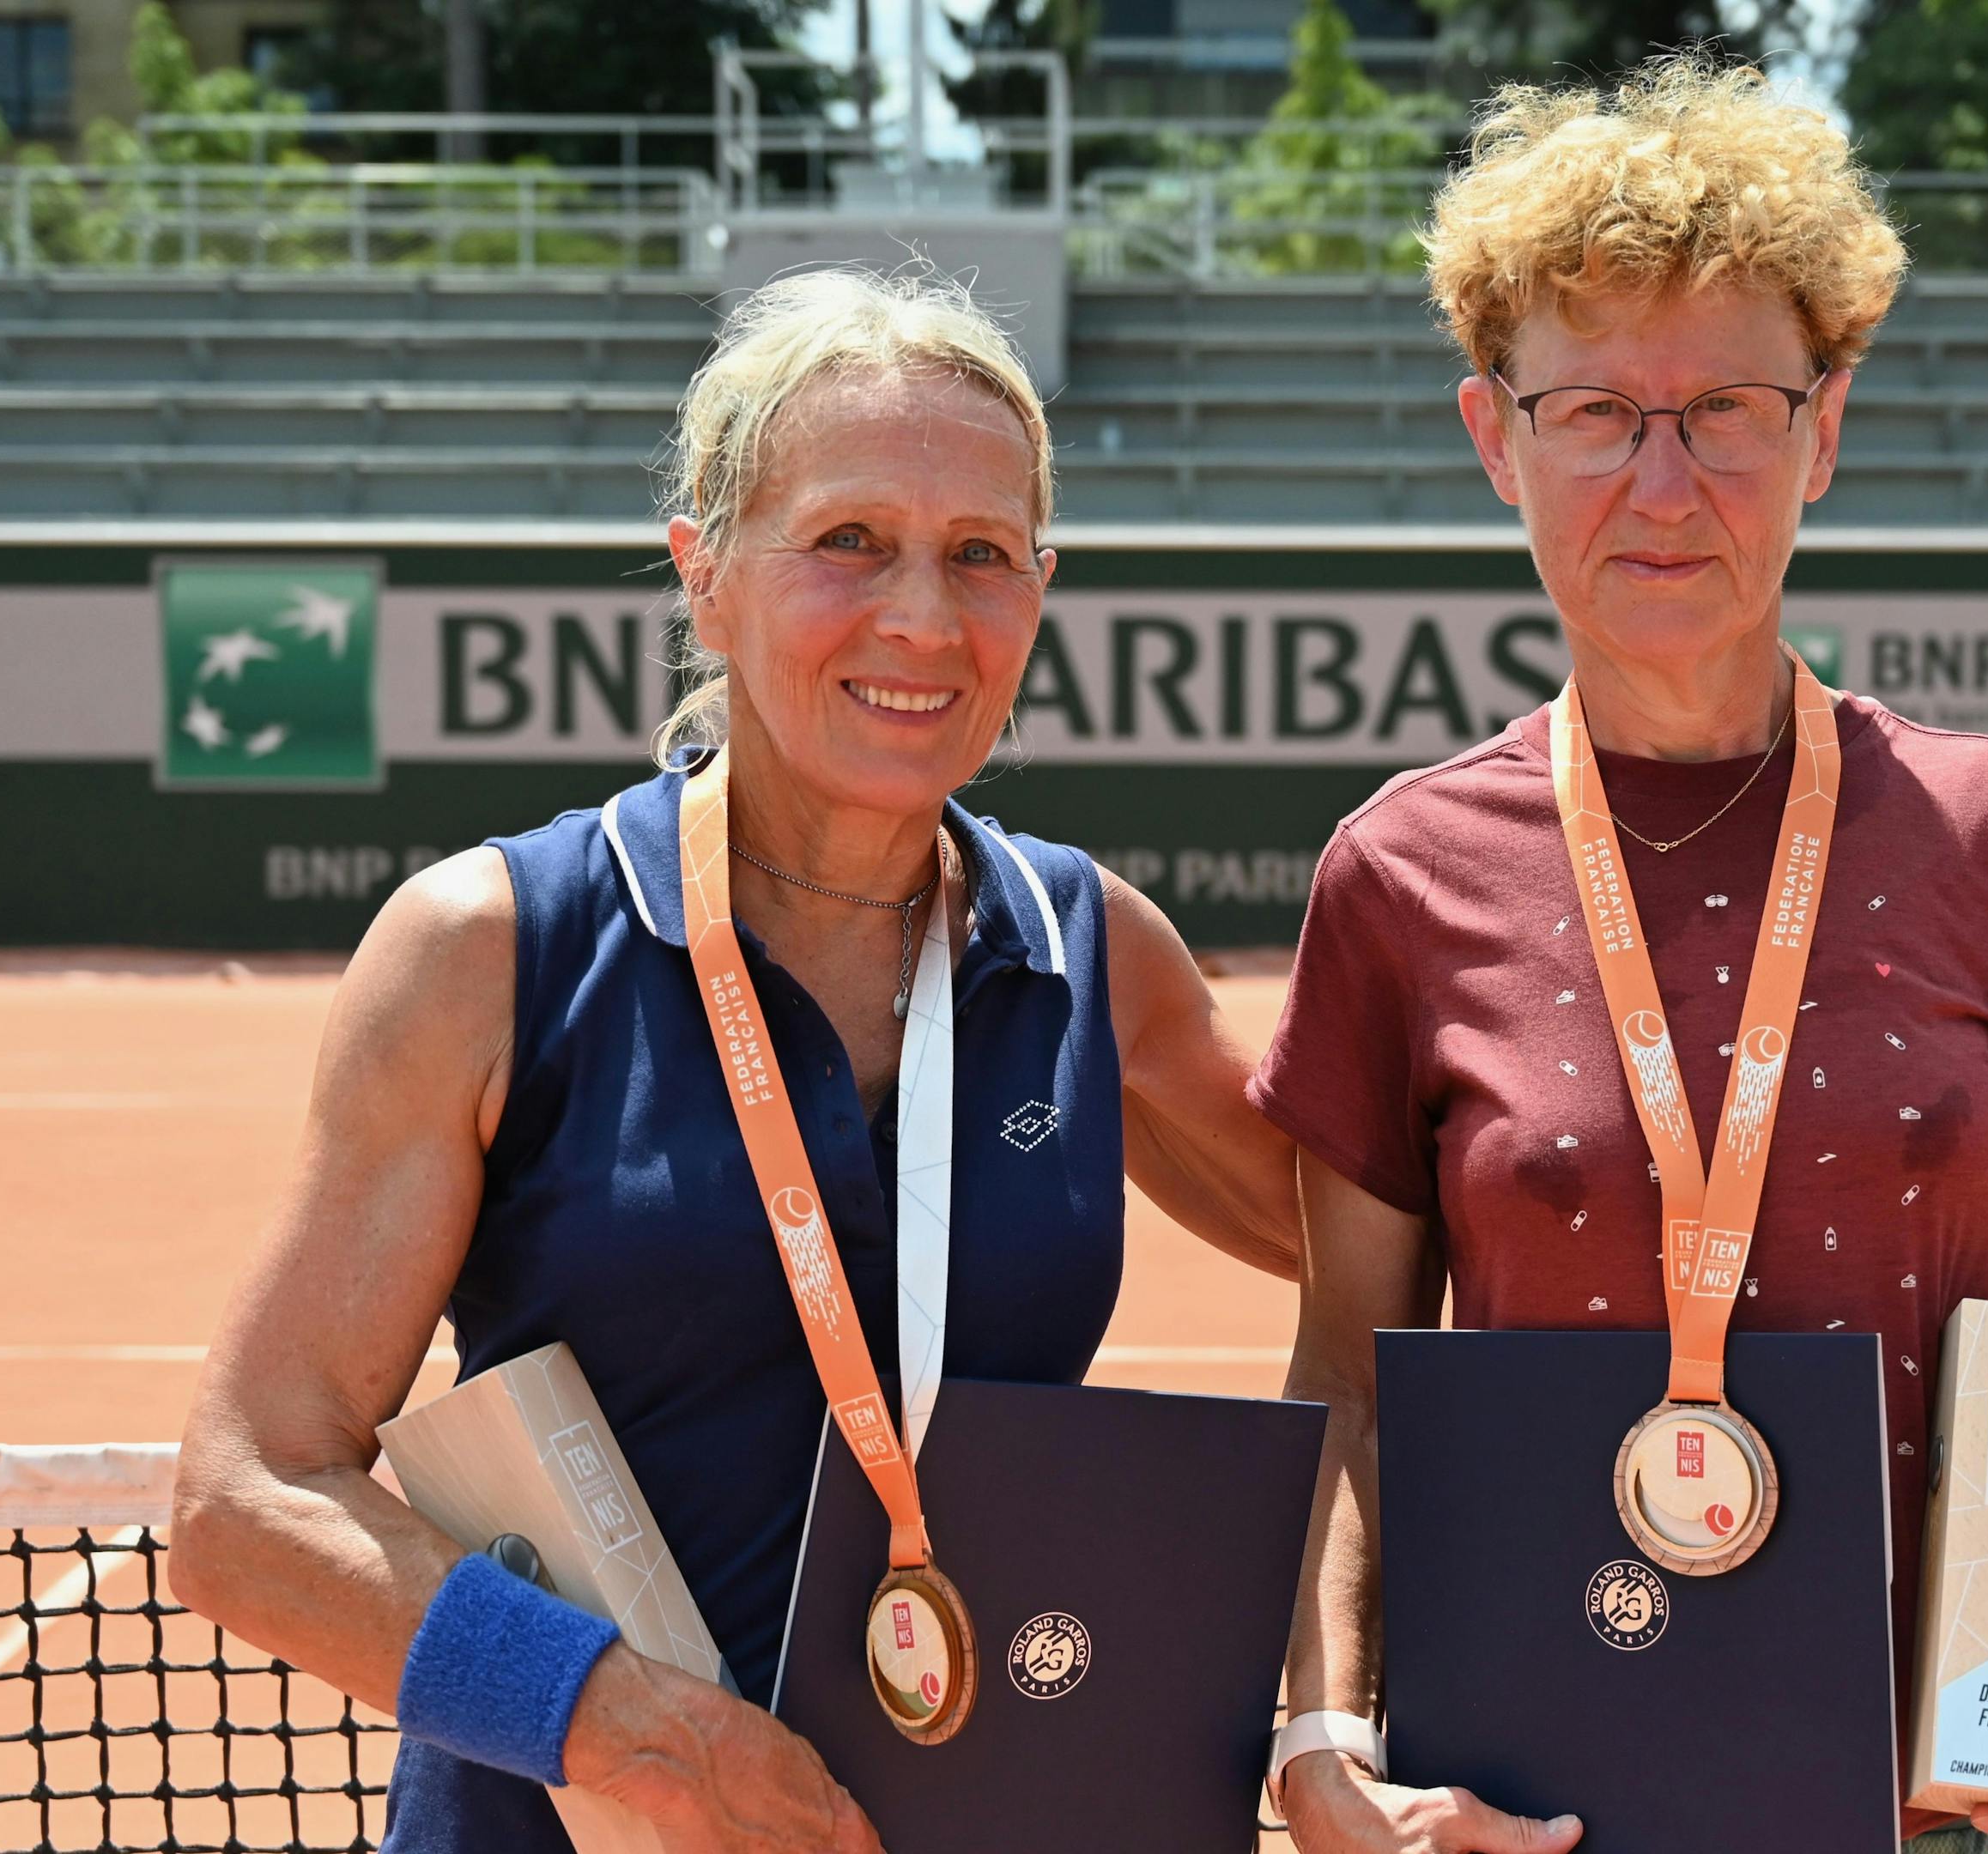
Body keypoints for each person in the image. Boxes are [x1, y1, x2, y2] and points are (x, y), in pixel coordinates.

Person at [166, 266, 1304, 1852]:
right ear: (706, 573)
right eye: (848, 542)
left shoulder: (1088, 951)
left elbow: (1391, 1224)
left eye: (981, 555)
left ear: (1038, 592)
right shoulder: (490, 947)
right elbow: (246, 1504)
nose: (922, 615)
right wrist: (641, 1739)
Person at [1257, 55, 1988, 1854]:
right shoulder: (1396, 878)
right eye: (1592, 412)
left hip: (1949, 1808)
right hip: (1538, 1807)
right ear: (1498, 438)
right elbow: (1346, 1357)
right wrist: (1321, 1726)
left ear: (1825, 428)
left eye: (1725, 406)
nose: (1661, 481)